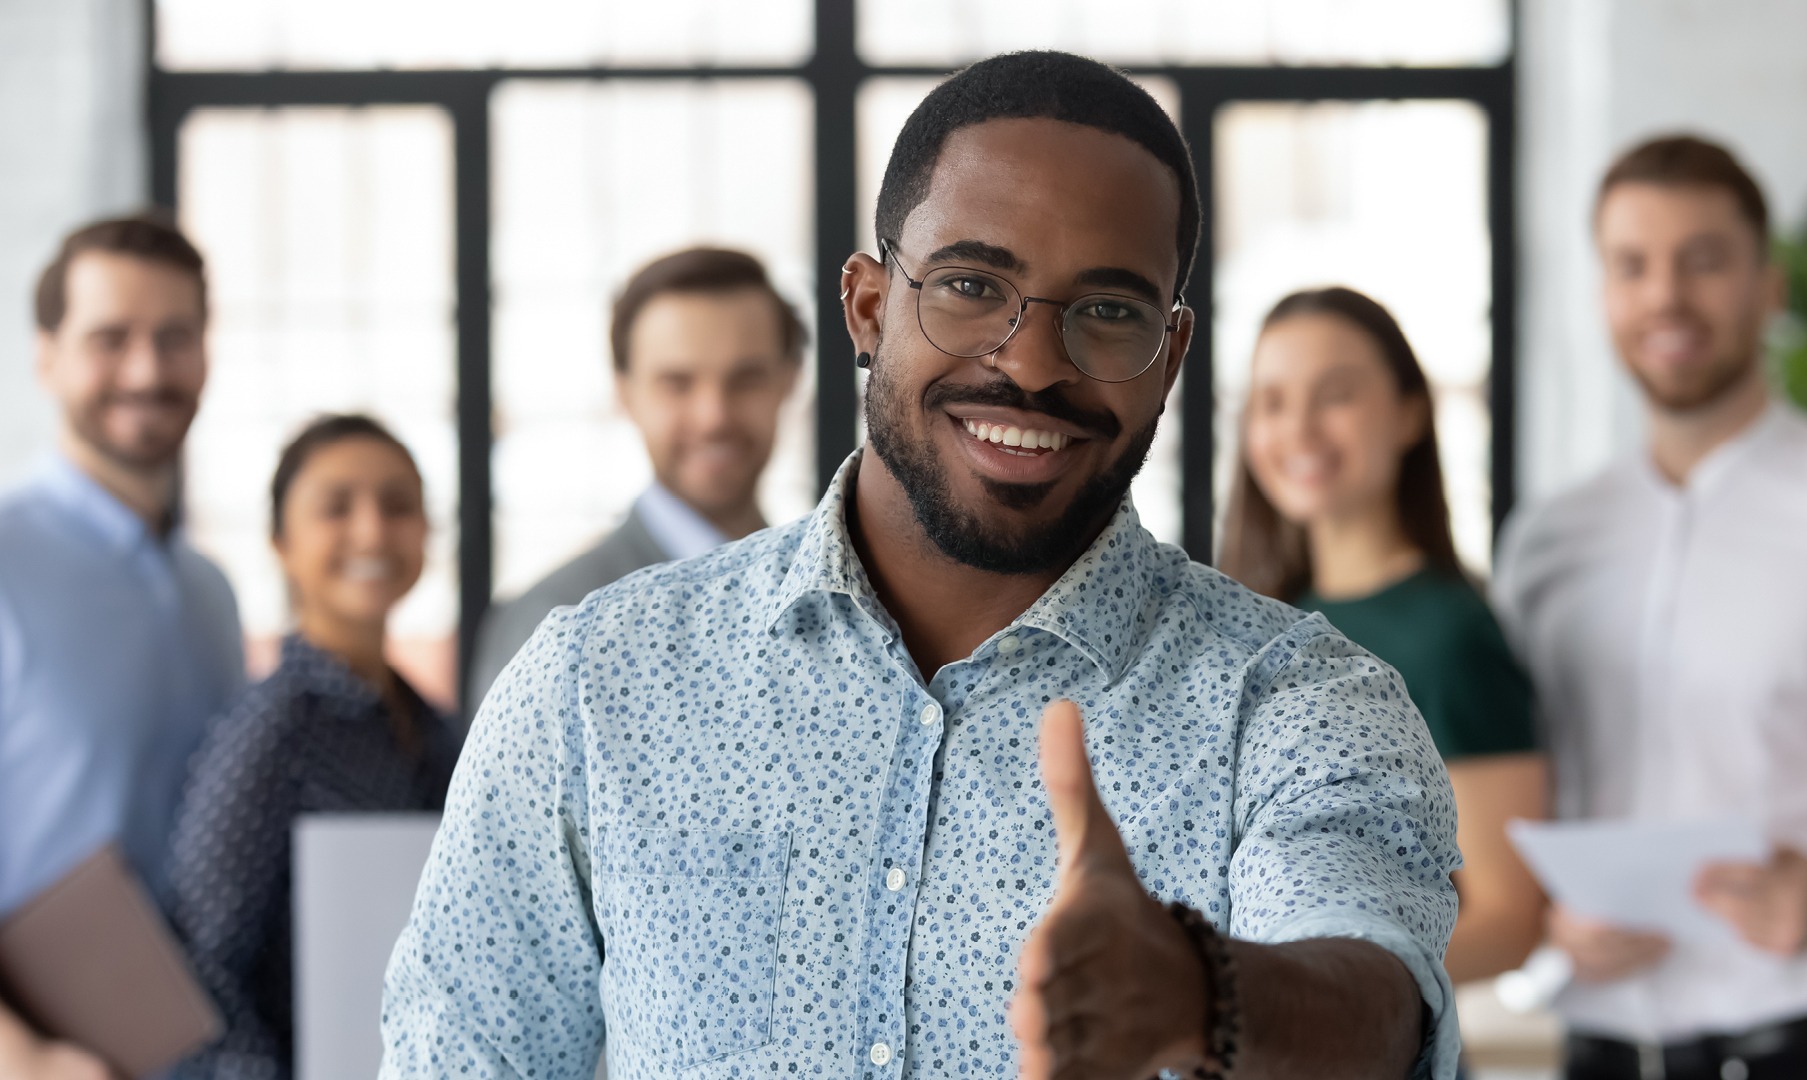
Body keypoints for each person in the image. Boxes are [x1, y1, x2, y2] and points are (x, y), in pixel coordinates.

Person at [382, 51, 1463, 1080]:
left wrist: (1203, 995)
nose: (1031, 364)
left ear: (1171, 356)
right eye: (969, 287)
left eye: (1108, 312)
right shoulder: (595, 682)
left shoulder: (1298, 701)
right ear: (867, 306)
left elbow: (1376, 1004)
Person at [1493, 134, 1807, 1080]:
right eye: (1631, 265)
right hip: (1600, 1051)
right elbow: (1516, 802)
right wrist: (1544, 912)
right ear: (1602, 291)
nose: (1666, 298)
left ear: (1769, 287)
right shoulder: (1547, 542)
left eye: (1704, 261)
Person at [1218, 285, 1547, 986]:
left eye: (1334, 394)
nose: (1299, 429)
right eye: (1272, 402)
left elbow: (1510, 920)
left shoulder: (1449, 637)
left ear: (1408, 415)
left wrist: (1305, 990)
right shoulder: (1259, 630)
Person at [0, 216, 246, 1080]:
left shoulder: (210, 592)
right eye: (110, 339)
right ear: (47, 355)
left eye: (173, 338)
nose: (146, 371)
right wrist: (23, 1059)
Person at [167, 414, 462, 1080]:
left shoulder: (439, 727)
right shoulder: (269, 733)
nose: (372, 531)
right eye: (336, 508)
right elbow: (201, 974)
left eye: (398, 505)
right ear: (281, 541)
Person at [465, 247, 804, 714]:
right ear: (624, 394)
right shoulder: (554, 624)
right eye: (677, 383)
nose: (714, 417)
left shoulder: (835, 600)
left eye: (746, 379)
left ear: (790, 380)